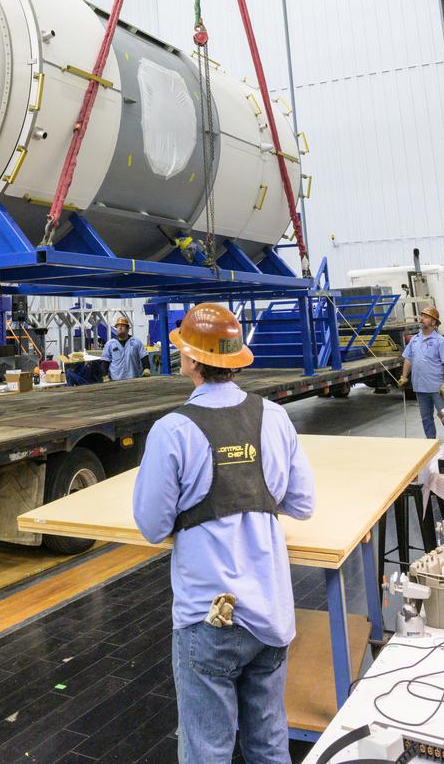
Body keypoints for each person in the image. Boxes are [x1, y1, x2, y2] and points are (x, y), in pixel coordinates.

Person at [133, 302, 315, 764]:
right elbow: (303, 504)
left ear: (192, 361)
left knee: (207, 751)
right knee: (269, 744)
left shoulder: (172, 431)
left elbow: (152, 526)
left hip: (209, 619)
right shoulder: (275, 418)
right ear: (235, 360)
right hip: (271, 614)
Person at [398, 305, 444, 441]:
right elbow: (408, 359)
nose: (421, 319)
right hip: (420, 387)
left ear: (433, 322)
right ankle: (430, 442)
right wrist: (404, 376)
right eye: (422, 316)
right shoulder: (414, 340)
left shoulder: (440, 341)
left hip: (437, 387)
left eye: (426, 317)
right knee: (426, 418)